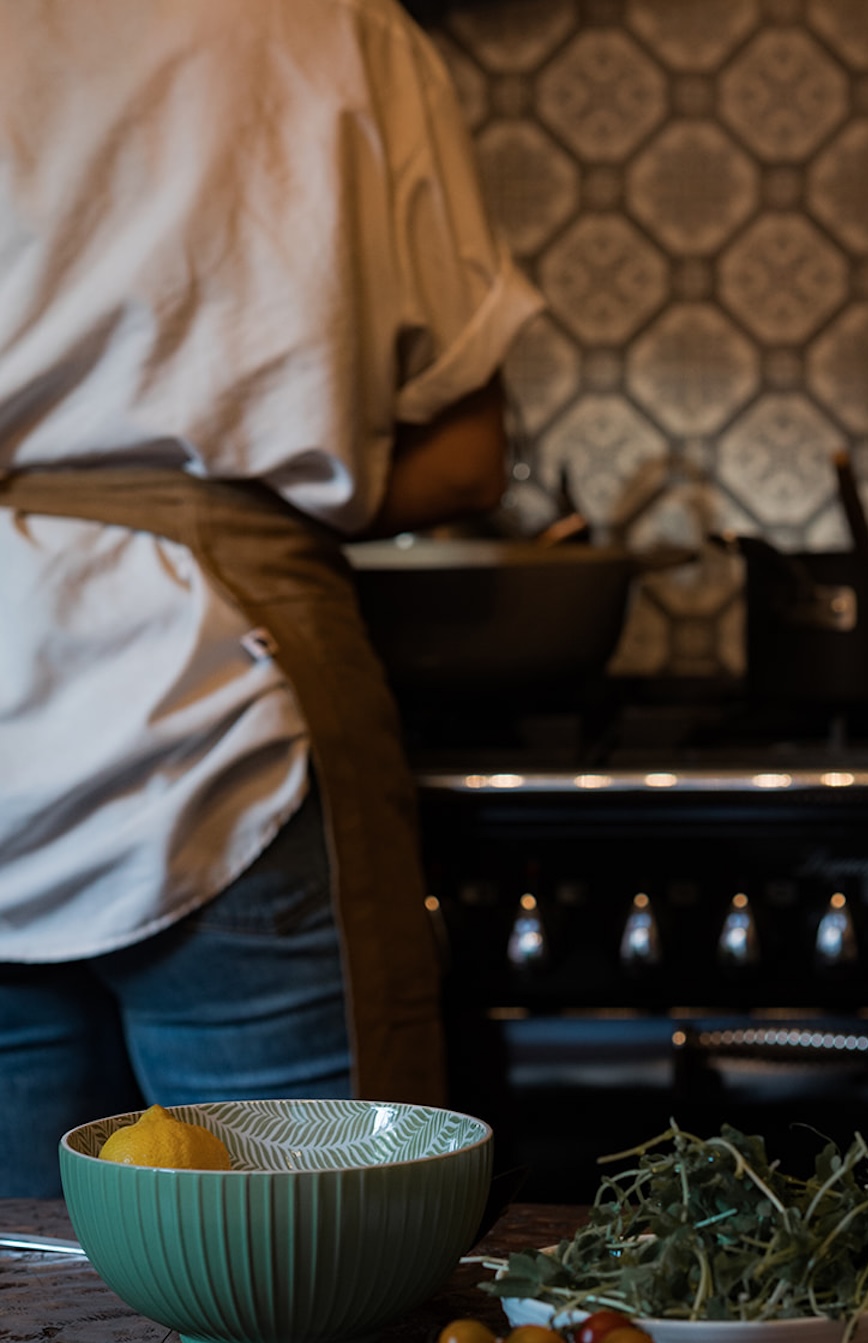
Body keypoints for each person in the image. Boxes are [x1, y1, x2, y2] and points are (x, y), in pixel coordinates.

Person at [0, 0, 543, 1197]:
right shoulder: (341, 26)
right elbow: (462, 459)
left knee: (23, 1285)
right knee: (310, 1258)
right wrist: (268, 464)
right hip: (227, 691)